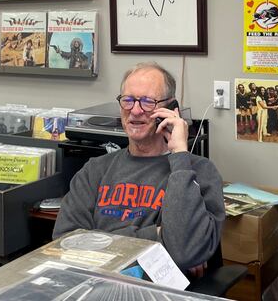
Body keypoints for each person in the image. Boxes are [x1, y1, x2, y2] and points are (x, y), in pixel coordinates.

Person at [53, 62, 225, 275]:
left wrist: (180, 154)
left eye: (147, 102)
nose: (135, 110)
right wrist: (158, 236)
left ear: (170, 110)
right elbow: (66, 242)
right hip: (95, 285)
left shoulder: (200, 171)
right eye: (128, 100)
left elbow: (184, 251)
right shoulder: (94, 171)